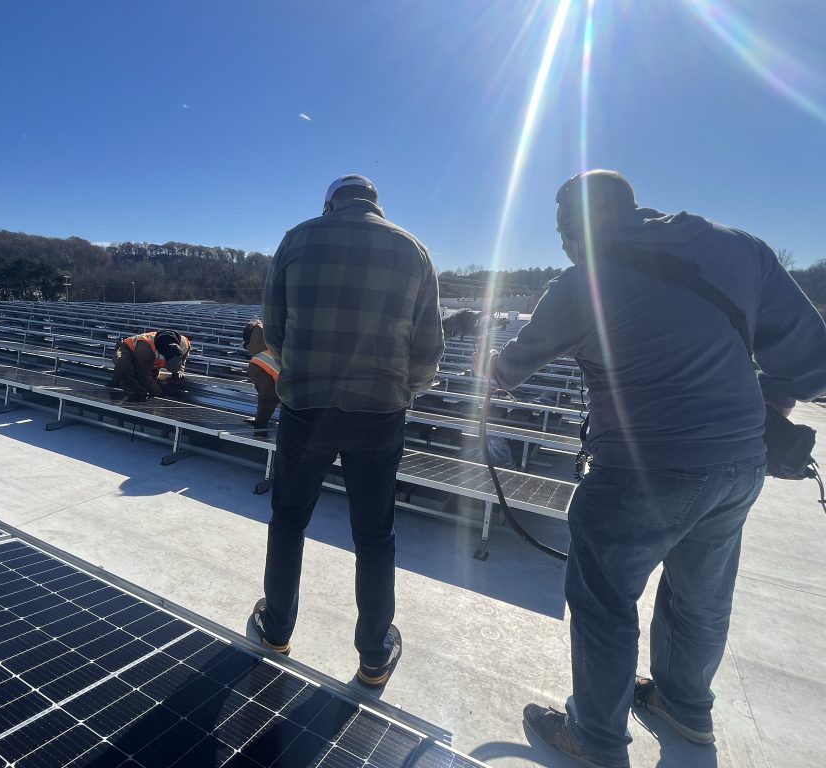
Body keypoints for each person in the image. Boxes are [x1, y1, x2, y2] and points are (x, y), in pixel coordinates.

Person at [485, 170, 826, 768]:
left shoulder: (580, 282)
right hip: (740, 463)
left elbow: (508, 370)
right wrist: (769, 407)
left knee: (603, 600)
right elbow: (811, 353)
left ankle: (594, 739)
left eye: (564, 234)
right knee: (701, 593)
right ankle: (684, 708)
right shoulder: (737, 247)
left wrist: (491, 362)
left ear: (573, 228)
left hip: (638, 470)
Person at [249, 173, 445, 687]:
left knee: (289, 520)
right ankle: (373, 656)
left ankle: (276, 630)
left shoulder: (297, 238)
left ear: (330, 203)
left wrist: (304, 371)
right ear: (376, 204)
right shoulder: (414, 251)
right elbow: (428, 349)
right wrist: (403, 390)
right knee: (375, 535)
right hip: (379, 413)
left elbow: (272, 330)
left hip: (306, 407)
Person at [109, 329, 191, 402]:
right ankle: (135, 391)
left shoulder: (185, 344)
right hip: (128, 350)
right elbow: (144, 375)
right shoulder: (145, 348)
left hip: (151, 364)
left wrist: (179, 370)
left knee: (151, 386)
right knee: (124, 369)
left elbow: (183, 360)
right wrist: (160, 395)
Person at [241, 318, 280, 430]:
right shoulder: (280, 348)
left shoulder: (258, 363)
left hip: (301, 405)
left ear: (249, 345)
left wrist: (260, 421)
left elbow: (268, 396)